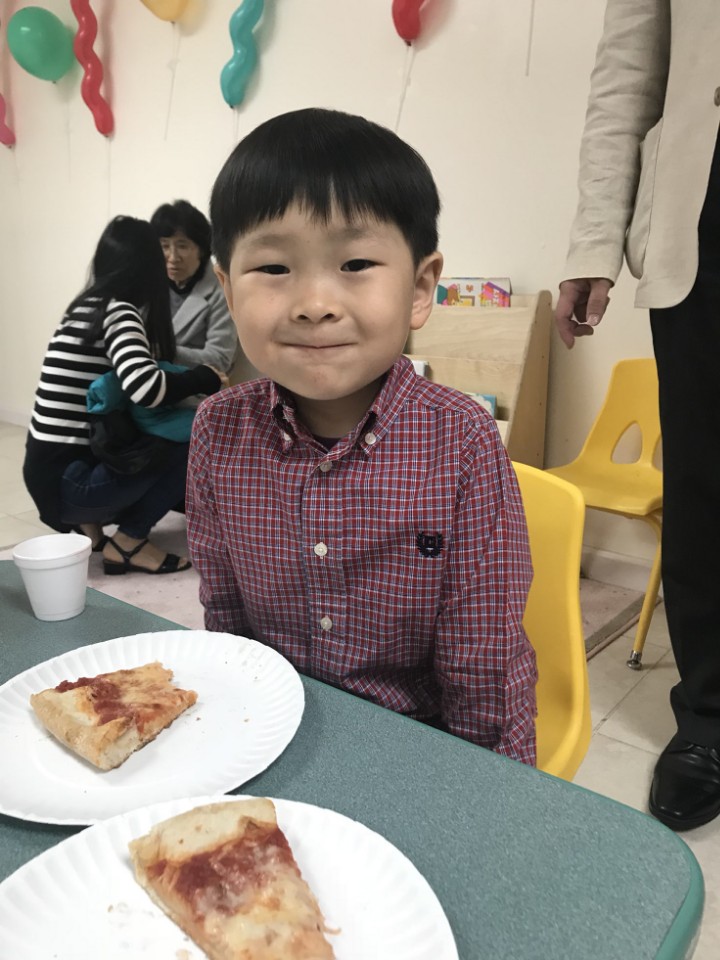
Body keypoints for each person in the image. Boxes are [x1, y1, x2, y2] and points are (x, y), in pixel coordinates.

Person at [186, 108, 538, 763]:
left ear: (420, 288)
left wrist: (485, 789)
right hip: (273, 731)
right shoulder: (217, 429)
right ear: (228, 291)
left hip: (420, 744)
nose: (315, 304)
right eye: (274, 268)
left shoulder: (461, 439)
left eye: (355, 263)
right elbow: (225, 613)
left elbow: (483, 656)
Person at [557, 2, 720, 829]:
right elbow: (628, 72)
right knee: (703, 483)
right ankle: (712, 715)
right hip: (707, 208)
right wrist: (596, 241)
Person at [23, 215, 226, 575]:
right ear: (149, 267)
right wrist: (203, 378)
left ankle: (91, 530)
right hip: (72, 485)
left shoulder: (83, 308)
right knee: (194, 441)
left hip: (46, 474)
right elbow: (146, 389)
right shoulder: (118, 312)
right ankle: (129, 541)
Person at [150, 200, 239, 374]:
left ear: (202, 249)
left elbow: (220, 359)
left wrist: (166, 351)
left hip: (195, 388)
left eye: (182, 246)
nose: (173, 257)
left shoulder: (220, 291)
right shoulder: (148, 282)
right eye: (164, 246)